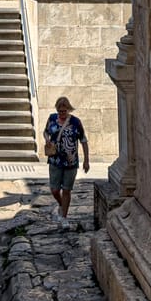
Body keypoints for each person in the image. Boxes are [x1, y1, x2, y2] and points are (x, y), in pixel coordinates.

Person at [43, 96, 90, 228]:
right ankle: (61, 204)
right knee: (54, 189)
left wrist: (86, 160)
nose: (62, 113)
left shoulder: (75, 122)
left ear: (68, 109)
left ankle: (64, 216)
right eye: (60, 111)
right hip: (55, 160)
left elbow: (83, 141)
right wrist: (47, 139)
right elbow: (45, 132)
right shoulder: (52, 119)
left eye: (64, 111)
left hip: (71, 162)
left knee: (67, 190)